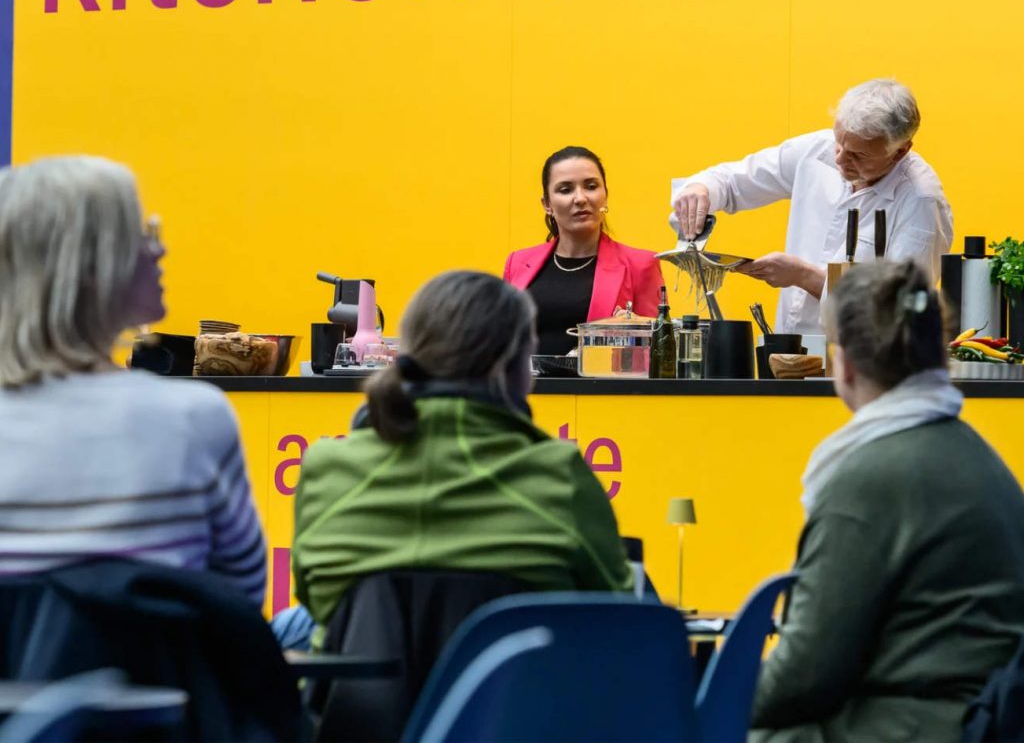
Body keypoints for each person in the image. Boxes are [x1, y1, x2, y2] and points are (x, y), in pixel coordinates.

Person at [750, 260, 1024, 742]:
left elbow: (806, 675)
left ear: (847, 365)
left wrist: (699, 698)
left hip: (909, 725)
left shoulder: (864, 479)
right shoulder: (980, 459)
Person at [291, 270, 632, 634]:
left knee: (291, 623)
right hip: (518, 689)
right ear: (515, 368)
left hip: (355, 688)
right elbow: (619, 610)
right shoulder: (561, 477)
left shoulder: (326, 469)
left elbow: (313, 598)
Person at [0, 156, 266, 605]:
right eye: (141, 235)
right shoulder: (193, 418)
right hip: (154, 674)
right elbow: (240, 599)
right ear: (88, 268)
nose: (158, 250)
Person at [671, 79, 953, 334]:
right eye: (839, 144)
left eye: (858, 155)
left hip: (866, 367)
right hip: (788, 353)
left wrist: (805, 277)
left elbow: (901, 309)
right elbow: (733, 181)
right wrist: (701, 190)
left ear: (901, 150)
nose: (840, 159)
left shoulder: (921, 201)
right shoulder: (816, 149)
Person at [504, 146, 665, 355]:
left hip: (603, 387)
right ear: (547, 204)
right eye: (565, 189)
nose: (580, 198)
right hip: (527, 387)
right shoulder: (517, 262)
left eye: (591, 186)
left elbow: (658, 351)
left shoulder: (641, 264)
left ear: (605, 195)